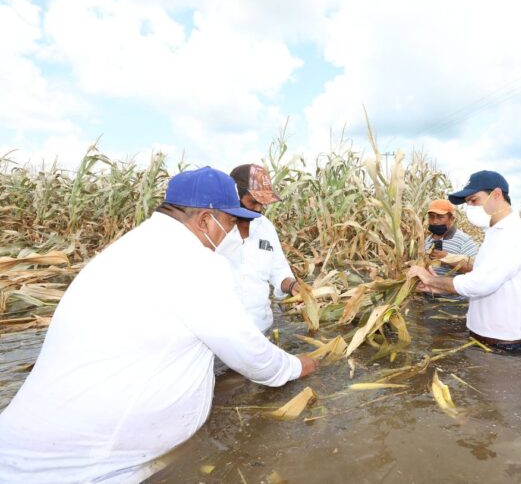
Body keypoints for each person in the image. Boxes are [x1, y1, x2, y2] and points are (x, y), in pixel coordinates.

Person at [0, 167, 317, 483]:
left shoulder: (130, 247)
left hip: (26, 450)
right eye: (229, 221)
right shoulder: (196, 263)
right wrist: (296, 366)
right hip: (86, 468)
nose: (232, 230)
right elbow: (251, 354)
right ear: (206, 220)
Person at [408, 170, 521, 352]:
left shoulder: (519, 233)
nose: (470, 207)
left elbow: (481, 283)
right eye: (467, 203)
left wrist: (431, 279)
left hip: (506, 345)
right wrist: (438, 288)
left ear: (496, 194)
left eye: (473, 200)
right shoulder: (494, 234)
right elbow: (480, 281)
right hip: (479, 340)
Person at [228, 163, 298, 332]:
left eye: (262, 203)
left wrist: (292, 286)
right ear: (234, 194)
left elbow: (279, 271)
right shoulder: (213, 229)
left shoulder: (265, 227)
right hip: (223, 335)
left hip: (261, 330)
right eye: (253, 202)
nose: (258, 209)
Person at [424, 199, 479, 277]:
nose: (435, 221)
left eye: (440, 217)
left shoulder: (464, 240)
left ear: (451, 219)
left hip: (449, 288)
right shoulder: (427, 240)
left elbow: (476, 269)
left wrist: (447, 258)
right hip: (425, 288)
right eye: (431, 217)